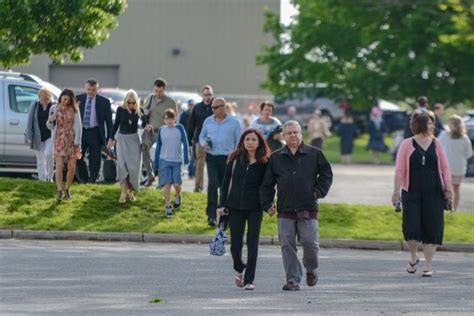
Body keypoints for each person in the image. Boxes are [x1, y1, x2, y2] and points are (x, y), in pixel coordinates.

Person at [260, 120, 333, 291]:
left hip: (308, 206)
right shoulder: (276, 157)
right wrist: (268, 203)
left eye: (296, 132)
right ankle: (293, 279)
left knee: (309, 242)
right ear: (284, 136)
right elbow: (267, 184)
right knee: (287, 245)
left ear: (301, 134)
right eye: (289, 133)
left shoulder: (314, 154)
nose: (293, 135)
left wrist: (317, 192)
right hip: (285, 208)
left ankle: (311, 269)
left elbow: (326, 175)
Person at [392, 111, 453, 277]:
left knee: (433, 226)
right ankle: (413, 256)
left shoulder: (437, 143)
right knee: (411, 227)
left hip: (434, 191)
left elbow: (445, 168)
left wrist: (449, 188)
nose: (433, 125)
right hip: (411, 191)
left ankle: (427, 265)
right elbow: (400, 170)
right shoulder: (406, 144)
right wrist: (396, 192)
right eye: (430, 123)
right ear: (421, 125)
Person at [217, 128, 271, 290]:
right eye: (247, 139)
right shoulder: (234, 158)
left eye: (253, 140)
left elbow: (268, 186)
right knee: (236, 244)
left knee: (253, 243)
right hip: (235, 207)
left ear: (259, 142)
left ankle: (249, 280)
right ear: (243, 141)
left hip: (255, 208)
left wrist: (268, 204)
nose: (250, 142)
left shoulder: (265, 162)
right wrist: (222, 204)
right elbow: (226, 183)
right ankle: (239, 268)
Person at [199, 97, 241, 226]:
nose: (213, 110)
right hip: (212, 157)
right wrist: (203, 144)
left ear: (223, 107)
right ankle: (211, 215)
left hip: (227, 158)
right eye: (212, 107)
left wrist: (233, 153)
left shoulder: (234, 122)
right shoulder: (208, 121)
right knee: (213, 184)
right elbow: (201, 136)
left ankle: (225, 216)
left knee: (225, 187)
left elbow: (239, 141)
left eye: (216, 107)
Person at [47, 89, 82, 202]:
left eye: (68, 100)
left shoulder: (75, 110)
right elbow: (49, 126)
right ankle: (59, 191)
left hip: (71, 139)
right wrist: (51, 119)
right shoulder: (54, 108)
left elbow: (78, 127)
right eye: (64, 99)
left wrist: (77, 143)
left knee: (72, 167)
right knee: (59, 166)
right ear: (61, 97)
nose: (66, 101)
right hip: (59, 138)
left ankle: (67, 188)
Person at [107, 90, 143, 204]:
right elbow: (116, 124)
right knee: (122, 167)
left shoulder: (139, 111)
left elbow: (145, 124)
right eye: (129, 102)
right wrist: (111, 138)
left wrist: (147, 120)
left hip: (134, 140)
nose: (131, 104)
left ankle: (130, 191)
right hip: (121, 139)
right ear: (126, 101)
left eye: (133, 102)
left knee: (133, 168)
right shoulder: (120, 110)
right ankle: (123, 192)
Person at [142, 78, 178, 187]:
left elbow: (175, 119)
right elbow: (142, 113)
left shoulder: (171, 102)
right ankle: (150, 176)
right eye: (156, 91)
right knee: (144, 148)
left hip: (164, 132)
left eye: (160, 91)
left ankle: (162, 181)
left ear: (164, 90)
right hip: (150, 131)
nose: (157, 93)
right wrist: (145, 112)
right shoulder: (149, 99)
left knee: (163, 156)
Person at [154, 109, 189, 217]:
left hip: (177, 161)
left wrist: (186, 158)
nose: (169, 121)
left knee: (177, 184)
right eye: (166, 118)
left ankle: (178, 196)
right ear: (164, 120)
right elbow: (158, 147)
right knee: (167, 184)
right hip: (164, 160)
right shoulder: (161, 130)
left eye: (171, 118)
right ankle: (168, 206)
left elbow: (186, 143)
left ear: (175, 119)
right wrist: (156, 163)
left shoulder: (179, 128)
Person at [76, 78, 113, 183]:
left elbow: (109, 122)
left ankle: (92, 180)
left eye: (93, 90)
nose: (91, 92)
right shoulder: (78, 99)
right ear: (85, 88)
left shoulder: (104, 102)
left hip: (95, 132)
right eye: (89, 89)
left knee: (95, 159)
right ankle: (83, 179)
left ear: (97, 89)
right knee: (78, 156)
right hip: (81, 132)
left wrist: (111, 137)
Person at [439, 115, 472, 211]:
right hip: (459, 167)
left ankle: (444, 208)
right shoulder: (465, 138)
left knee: (444, 189)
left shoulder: (444, 135)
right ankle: (454, 210)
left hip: (445, 167)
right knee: (456, 189)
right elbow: (469, 154)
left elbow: (438, 148)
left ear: (452, 124)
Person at [187, 85, 214, 192]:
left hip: (214, 140)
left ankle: (213, 187)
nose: (208, 97)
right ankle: (198, 186)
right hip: (200, 140)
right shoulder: (197, 107)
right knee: (199, 164)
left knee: (213, 164)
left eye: (209, 95)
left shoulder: (215, 107)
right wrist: (189, 141)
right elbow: (191, 125)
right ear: (203, 95)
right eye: (206, 95)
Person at [25, 88, 55, 181]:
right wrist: (29, 136)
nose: (44, 101)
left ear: (49, 98)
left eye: (46, 99)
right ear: (39, 98)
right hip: (38, 136)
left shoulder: (54, 106)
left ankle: (50, 177)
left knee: (49, 154)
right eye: (42, 99)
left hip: (50, 135)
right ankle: (42, 179)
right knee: (40, 160)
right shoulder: (35, 105)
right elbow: (29, 121)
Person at [179, 99, 196, 179]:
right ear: (188, 105)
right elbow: (180, 125)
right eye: (190, 104)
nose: (191, 106)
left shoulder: (196, 114)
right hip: (186, 137)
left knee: (193, 155)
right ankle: (189, 170)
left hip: (194, 137)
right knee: (187, 154)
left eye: (192, 104)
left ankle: (192, 172)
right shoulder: (184, 114)